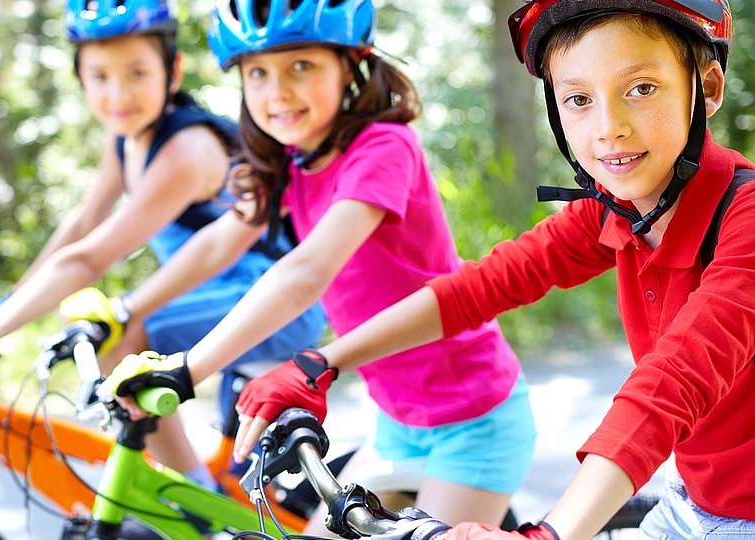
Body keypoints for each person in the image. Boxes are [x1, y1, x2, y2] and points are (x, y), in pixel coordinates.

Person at [228, 1, 755, 538]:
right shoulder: (617, 211)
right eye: (577, 99)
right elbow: (479, 287)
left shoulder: (747, 219)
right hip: (691, 503)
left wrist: (548, 534)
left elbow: (673, 384)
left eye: (640, 88)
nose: (609, 128)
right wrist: (321, 361)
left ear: (707, 88)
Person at [100, 0, 538, 531]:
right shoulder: (292, 161)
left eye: (300, 67)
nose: (277, 91)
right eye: (257, 72)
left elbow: (306, 272)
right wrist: (126, 309)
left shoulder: (383, 146)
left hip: (473, 419)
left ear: (350, 64)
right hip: (398, 420)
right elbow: (220, 242)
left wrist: (191, 367)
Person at [0, 0, 325, 491]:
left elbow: (93, 256)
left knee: (127, 336)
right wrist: (4, 308)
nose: (119, 94)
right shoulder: (127, 138)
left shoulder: (184, 149)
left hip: (273, 302)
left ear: (172, 71)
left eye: (137, 73)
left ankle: (191, 497)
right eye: (100, 76)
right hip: (212, 297)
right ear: (80, 78)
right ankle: (194, 489)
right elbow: (83, 225)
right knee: (120, 332)